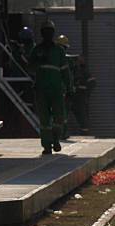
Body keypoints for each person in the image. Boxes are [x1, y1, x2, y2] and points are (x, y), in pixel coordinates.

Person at [29, 20, 71, 154]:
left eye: (50, 31)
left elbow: (65, 71)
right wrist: (37, 62)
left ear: (53, 33)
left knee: (59, 117)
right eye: (45, 31)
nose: (47, 34)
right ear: (42, 33)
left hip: (57, 90)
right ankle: (47, 146)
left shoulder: (59, 51)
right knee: (44, 119)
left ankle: (56, 138)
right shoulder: (37, 50)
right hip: (41, 90)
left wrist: (70, 88)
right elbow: (29, 67)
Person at [56, 34, 76, 139]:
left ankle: (59, 133)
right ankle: (61, 133)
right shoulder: (67, 60)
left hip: (56, 89)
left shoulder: (53, 58)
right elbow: (69, 76)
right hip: (63, 90)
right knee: (63, 112)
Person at [72, 55, 96, 134]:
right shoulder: (71, 70)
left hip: (80, 97)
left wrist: (84, 89)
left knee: (82, 115)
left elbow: (92, 83)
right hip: (70, 96)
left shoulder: (84, 71)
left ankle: (85, 132)